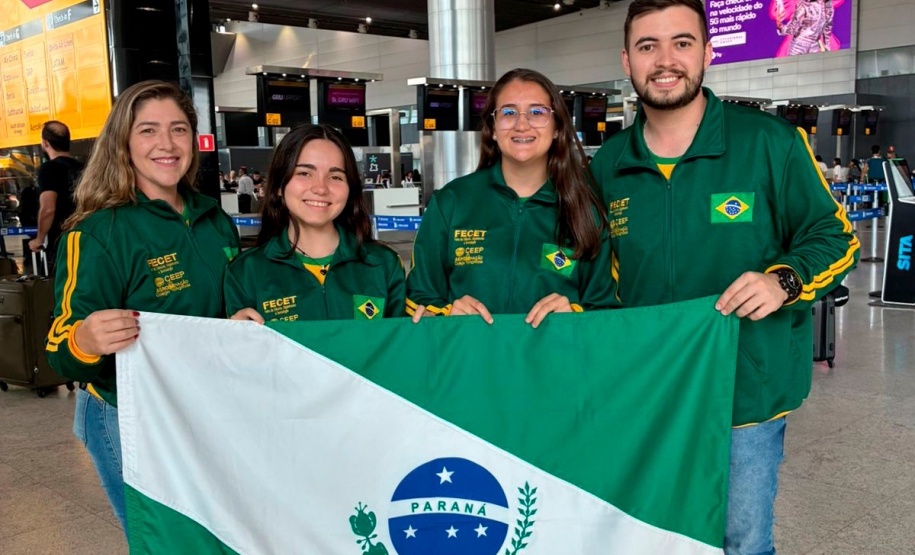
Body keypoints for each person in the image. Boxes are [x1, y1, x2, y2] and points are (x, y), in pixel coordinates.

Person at [589, 0, 859, 553]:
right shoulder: (608, 163)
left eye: (682, 43)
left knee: (741, 541)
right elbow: (586, 268)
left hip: (745, 396)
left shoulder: (769, 142)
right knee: (654, 538)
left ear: (708, 52)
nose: (666, 60)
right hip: (647, 392)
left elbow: (836, 238)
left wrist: (783, 281)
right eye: (648, 46)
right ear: (626, 60)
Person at [44, 80, 241, 533]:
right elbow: (58, 346)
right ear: (122, 143)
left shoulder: (214, 220)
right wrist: (85, 338)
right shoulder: (97, 233)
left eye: (178, 129)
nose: (166, 144)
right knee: (162, 539)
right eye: (148, 131)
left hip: (202, 406)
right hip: (126, 415)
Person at [407, 68, 616, 327]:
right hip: (469, 362)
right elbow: (417, 298)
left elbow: (607, 311)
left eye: (538, 112)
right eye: (508, 112)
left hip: (554, 363)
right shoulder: (450, 202)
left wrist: (574, 313)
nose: (521, 124)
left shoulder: (587, 210)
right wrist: (446, 312)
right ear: (493, 129)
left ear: (557, 129)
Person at [224, 123, 405, 323]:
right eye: (304, 173)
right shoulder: (246, 271)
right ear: (278, 186)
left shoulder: (383, 264)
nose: (320, 188)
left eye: (335, 176)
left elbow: (403, 346)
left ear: (350, 189)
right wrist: (234, 340)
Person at [28, 121, 84, 270]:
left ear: (45, 143)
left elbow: (48, 208)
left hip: (63, 243)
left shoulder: (49, 169)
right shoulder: (84, 168)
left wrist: (39, 239)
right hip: (87, 239)